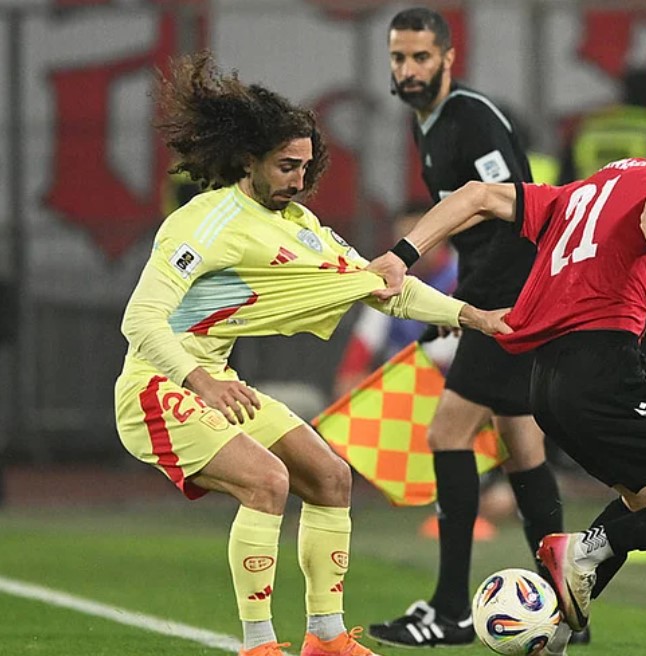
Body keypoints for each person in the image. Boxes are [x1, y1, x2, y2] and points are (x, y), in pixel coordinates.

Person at [114, 52, 509, 656]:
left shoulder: (298, 223)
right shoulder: (206, 222)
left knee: (330, 477)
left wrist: (473, 317)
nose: (298, 180)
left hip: (216, 384)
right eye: (285, 166)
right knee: (268, 481)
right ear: (248, 159)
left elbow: (382, 288)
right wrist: (202, 382)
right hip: (157, 390)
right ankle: (258, 643)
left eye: (305, 166)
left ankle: (325, 638)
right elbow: (140, 319)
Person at [368, 129, 646, 652]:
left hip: (544, 383)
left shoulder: (580, 190)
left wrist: (402, 255)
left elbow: (476, 194)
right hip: (604, 370)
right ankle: (582, 550)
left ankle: (551, 634)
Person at [369, 7, 569, 649]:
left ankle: (451, 610)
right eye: (399, 57)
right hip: (497, 294)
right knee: (521, 445)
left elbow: (512, 216)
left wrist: (473, 310)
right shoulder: (425, 122)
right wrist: (460, 304)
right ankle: (566, 607)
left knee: (448, 433)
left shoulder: (472, 119)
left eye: (420, 58)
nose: (408, 70)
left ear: (448, 59)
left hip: (512, 297)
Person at [560, 66, 646, 381]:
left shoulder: (589, 130)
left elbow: (564, 189)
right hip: (645, 257)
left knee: (591, 345)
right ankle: (642, 405)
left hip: (588, 256)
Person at [333, 202, 458, 399]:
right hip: (400, 388)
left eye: (420, 239)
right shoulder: (390, 282)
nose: (412, 250)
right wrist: (350, 384)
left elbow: (435, 362)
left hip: (449, 389)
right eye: (403, 241)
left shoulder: (460, 283)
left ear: (442, 236)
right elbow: (360, 350)